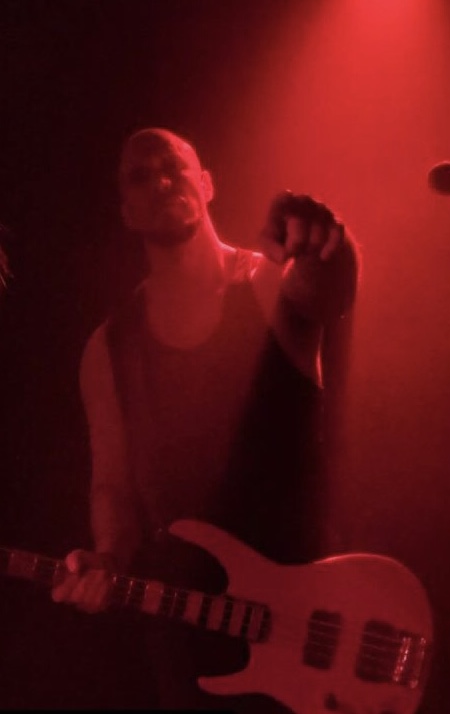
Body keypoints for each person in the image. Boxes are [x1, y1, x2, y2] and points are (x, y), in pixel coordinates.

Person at [52, 127, 360, 711]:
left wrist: (328, 242)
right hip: (189, 633)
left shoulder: (266, 283)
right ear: (126, 211)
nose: (161, 179)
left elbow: (328, 292)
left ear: (208, 183)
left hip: (303, 614)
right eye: (140, 175)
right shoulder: (108, 348)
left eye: (174, 166)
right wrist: (107, 558)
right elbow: (112, 484)